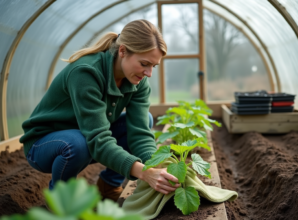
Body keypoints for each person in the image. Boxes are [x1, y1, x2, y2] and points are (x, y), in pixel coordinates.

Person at [19, 19, 180, 201]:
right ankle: (61, 201)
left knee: (145, 120)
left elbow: (140, 133)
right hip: (44, 144)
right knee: (77, 143)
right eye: (144, 64)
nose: (149, 73)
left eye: (153, 66)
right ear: (122, 51)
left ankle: (108, 186)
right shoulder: (86, 72)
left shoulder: (138, 81)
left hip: (86, 137)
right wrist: (144, 172)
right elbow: (98, 138)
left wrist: (157, 167)